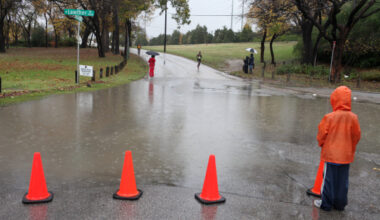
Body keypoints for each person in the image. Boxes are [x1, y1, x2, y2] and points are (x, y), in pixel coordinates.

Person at [313, 86, 361, 211]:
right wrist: (351, 148)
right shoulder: (353, 118)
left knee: (328, 180)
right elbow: (356, 136)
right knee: (342, 181)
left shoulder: (329, 117)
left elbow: (322, 135)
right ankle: (340, 204)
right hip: (346, 156)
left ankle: (326, 204)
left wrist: (322, 144)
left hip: (331, 155)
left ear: (334, 99)